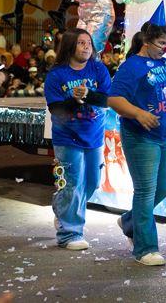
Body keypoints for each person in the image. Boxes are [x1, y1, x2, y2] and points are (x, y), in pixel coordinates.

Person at [108, 2, 166, 266]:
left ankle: (129, 220)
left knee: (164, 187)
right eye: (161, 44)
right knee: (145, 191)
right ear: (146, 41)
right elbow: (114, 99)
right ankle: (145, 248)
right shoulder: (132, 66)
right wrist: (138, 113)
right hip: (141, 137)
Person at [44, 28, 111, 250]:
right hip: (66, 138)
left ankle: (62, 206)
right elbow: (56, 109)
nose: (86, 46)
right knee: (72, 185)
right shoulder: (57, 75)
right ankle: (69, 234)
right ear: (70, 46)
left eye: (88, 43)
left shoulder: (98, 69)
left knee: (92, 182)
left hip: (94, 137)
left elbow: (107, 99)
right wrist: (74, 100)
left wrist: (88, 95)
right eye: (81, 42)